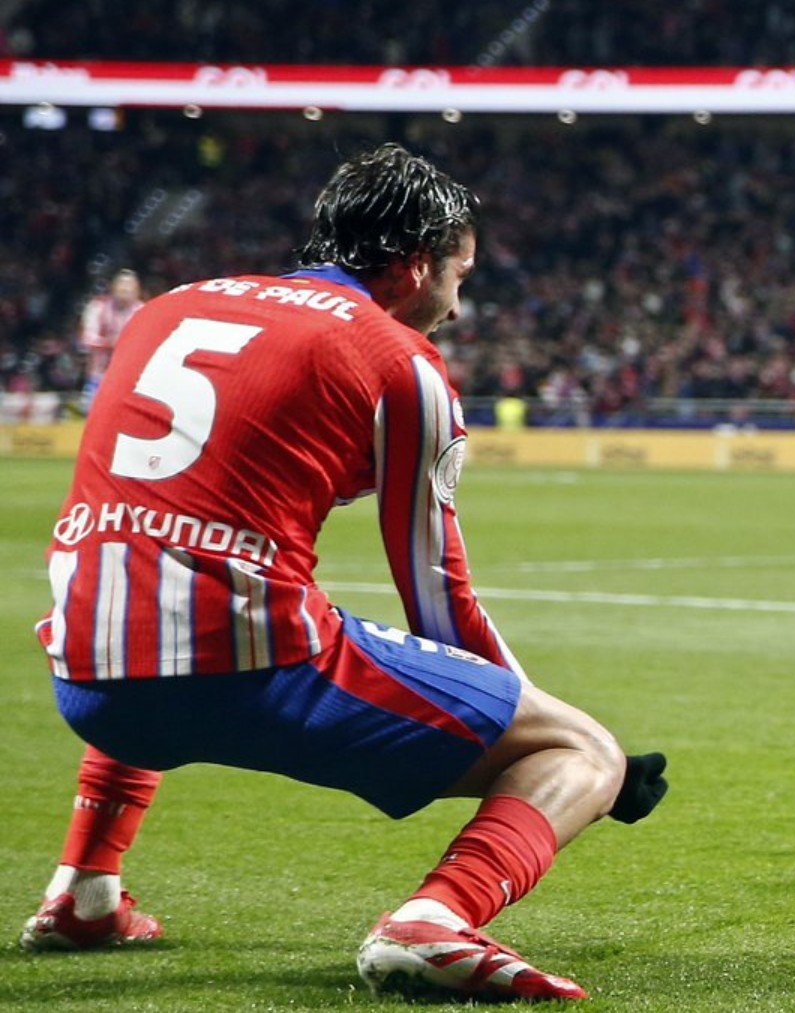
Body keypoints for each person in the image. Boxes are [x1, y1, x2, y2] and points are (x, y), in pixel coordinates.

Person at [20, 144, 669, 1002]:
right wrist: (572, 745)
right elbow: (437, 594)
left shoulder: (171, 306)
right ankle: (436, 919)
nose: (458, 306)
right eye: (459, 277)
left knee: (148, 590)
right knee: (577, 747)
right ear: (412, 267)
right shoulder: (399, 359)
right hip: (247, 671)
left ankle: (85, 889)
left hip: (87, 675)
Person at [78, 270, 145, 412]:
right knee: (92, 415)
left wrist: (124, 345)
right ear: (113, 287)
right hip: (98, 375)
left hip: (130, 377)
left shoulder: (143, 310)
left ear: (137, 290)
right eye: (122, 284)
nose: (125, 289)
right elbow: (86, 338)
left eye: (129, 285)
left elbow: (147, 341)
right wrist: (109, 343)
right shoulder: (97, 307)